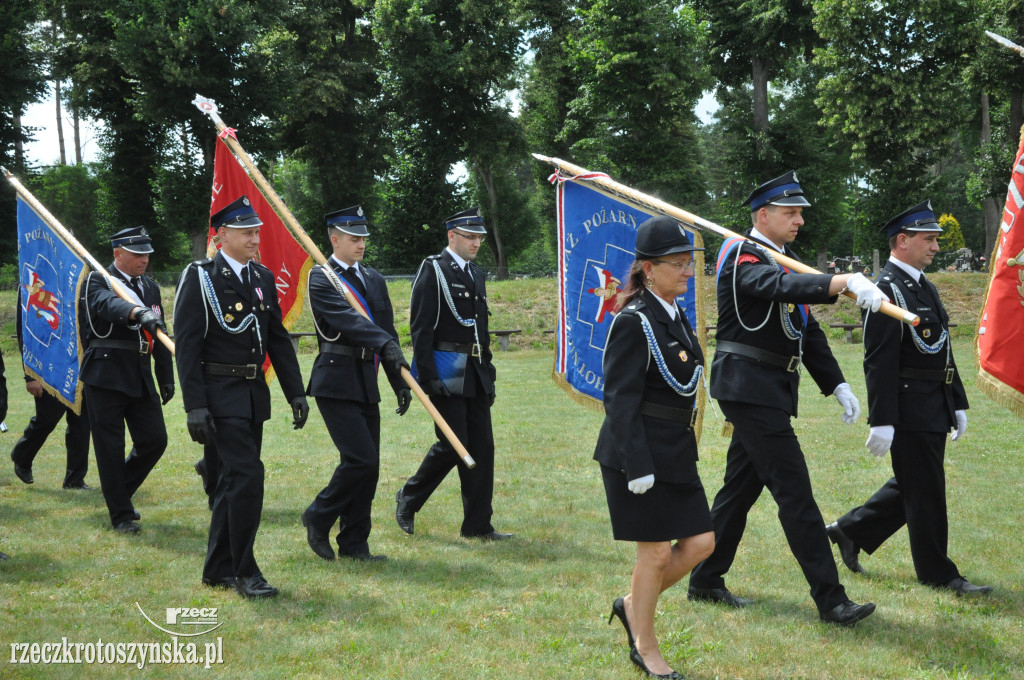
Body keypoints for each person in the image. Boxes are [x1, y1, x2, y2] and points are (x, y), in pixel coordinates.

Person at [687, 171, 886, 626]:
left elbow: (806, 329)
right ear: (763, 215)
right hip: (748, 387)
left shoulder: (786, 259)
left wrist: (836, 383)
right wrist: (840, 282)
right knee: (795, 492)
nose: (799, 220)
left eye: (800, 213)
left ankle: (704, 578)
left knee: (738, 491)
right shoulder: (742, 253)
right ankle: (831, 600)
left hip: (771, 389)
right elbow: (772, 288)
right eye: (790, 212)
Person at [825, 201, 991, 596]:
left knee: (916, 483)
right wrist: (883, 419)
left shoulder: (921, 283)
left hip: (933, 401)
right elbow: (878, 360)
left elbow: (942, 348)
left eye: (936, 239)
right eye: (928, 239)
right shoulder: (886, 290)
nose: (936, 247)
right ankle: (939, 574)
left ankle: (849, 530)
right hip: (909, 405)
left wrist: (957, 401)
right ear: (902, 241)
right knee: (926, 487)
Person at [594, 216, 715, 679]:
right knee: (657, 554)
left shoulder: (673, 312)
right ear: (648, 268)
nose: (688, 271)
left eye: (689, 263)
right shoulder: (633, 321)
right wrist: (636, 464)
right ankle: (645, 647)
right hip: (637, 454)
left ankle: (631, 604)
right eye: (679, 264)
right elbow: (619, 400)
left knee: (701, 542)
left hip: (675, 449)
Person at [174, 195, 308, 598]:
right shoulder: (200, 277)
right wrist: (195, 406)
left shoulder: (261, 278)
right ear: (223, 235)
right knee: (249, 477)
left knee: (234, 480)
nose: (255, 239)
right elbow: (188, 345)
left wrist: (295, 392)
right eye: (247, 232)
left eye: (257, 232)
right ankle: (245, 570)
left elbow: (278, 341)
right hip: (218, 395)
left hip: (252, 395)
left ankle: (217, 568)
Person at [301, 205, 411, 562]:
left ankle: (354, 543)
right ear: (334, 239)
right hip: (335, 379)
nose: (360, 243)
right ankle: (317, 516)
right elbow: (347, 320)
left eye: (363, 237)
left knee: (371, 466)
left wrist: (399, 381)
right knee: (359, 460)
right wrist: (386, 344)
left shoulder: (375, 279)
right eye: (353, 238)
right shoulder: (322, 277)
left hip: (367, 378)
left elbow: (387, 330)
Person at [394, 207, 511, 541]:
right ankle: (409, 498)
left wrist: (487, 372)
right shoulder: (434, 270)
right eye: (469, 237)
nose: (476, 243)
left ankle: (477, 525)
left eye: (479, 238)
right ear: (452, 236)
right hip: (445, 370)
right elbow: (421, 327)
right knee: (452, 443)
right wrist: (428, 377)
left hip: (474, 372)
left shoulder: (475, 273)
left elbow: (481, 328)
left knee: (482, 448)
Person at [80, 226, 173, 533]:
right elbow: (106, 304)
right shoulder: (97, 279)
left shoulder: (150, 287)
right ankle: (120, 514)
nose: (144, 259)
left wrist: (166, 377)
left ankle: (118, 493)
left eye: (146, 254)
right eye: (137, 254)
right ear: (117, 253)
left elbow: (159, 333)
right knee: (110, 446)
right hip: (105, 374)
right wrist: (136, 312)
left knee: (154, 440)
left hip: (140, 373)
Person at [10, 288, 91, 490]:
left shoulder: (78, 276)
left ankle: (74, 479)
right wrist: (30, 375)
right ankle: (21, 455)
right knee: (47, 418)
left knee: (81, 423)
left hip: (79, 363)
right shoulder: (36, 280)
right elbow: (26, 330)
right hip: (47, 366)